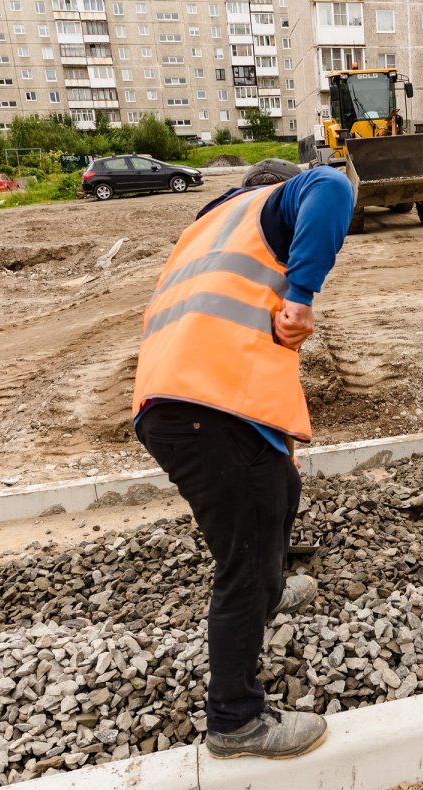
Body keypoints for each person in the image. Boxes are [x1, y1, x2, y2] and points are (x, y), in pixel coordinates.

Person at [132, 159, 354, 757]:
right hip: (208, 413)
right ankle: (236, 719)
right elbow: (332, 184)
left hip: (181, 407)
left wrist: (279, 444)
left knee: (279, 491)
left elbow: (235, 343)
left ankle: (271, 592)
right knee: (245, 562)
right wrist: (300, 296)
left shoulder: (205, 229)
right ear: (277, 191)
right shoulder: (271, 207)